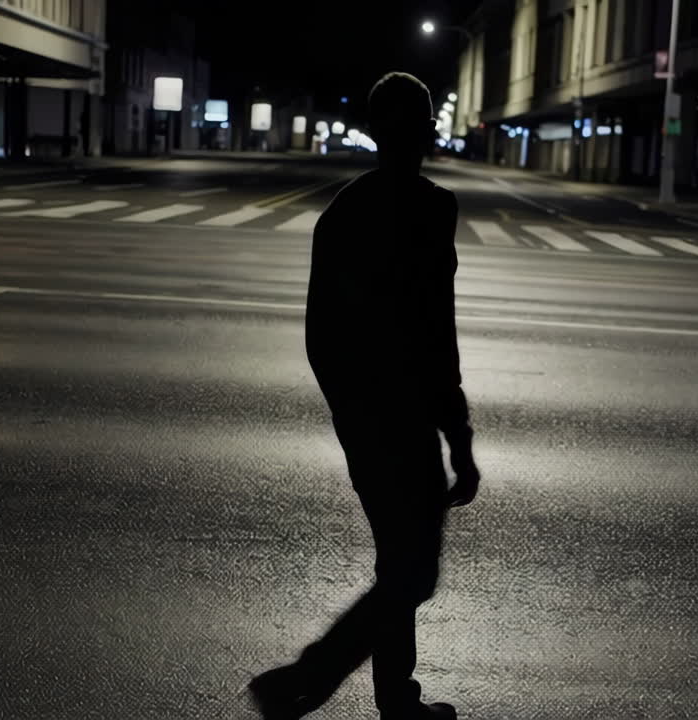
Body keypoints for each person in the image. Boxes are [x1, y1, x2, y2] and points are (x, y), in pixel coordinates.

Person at [248, 71, 480, 720]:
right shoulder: (433, 208)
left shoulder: (343, 214)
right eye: (425, 121)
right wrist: (456, 434)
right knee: (413, 574)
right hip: (405, 421)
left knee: (397, 566)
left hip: (365, 420)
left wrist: (350, 412)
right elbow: (438, 332)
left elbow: (320, 337)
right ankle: (304, 678)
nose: (427, 133)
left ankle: (395, 701)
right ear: (422, 131)